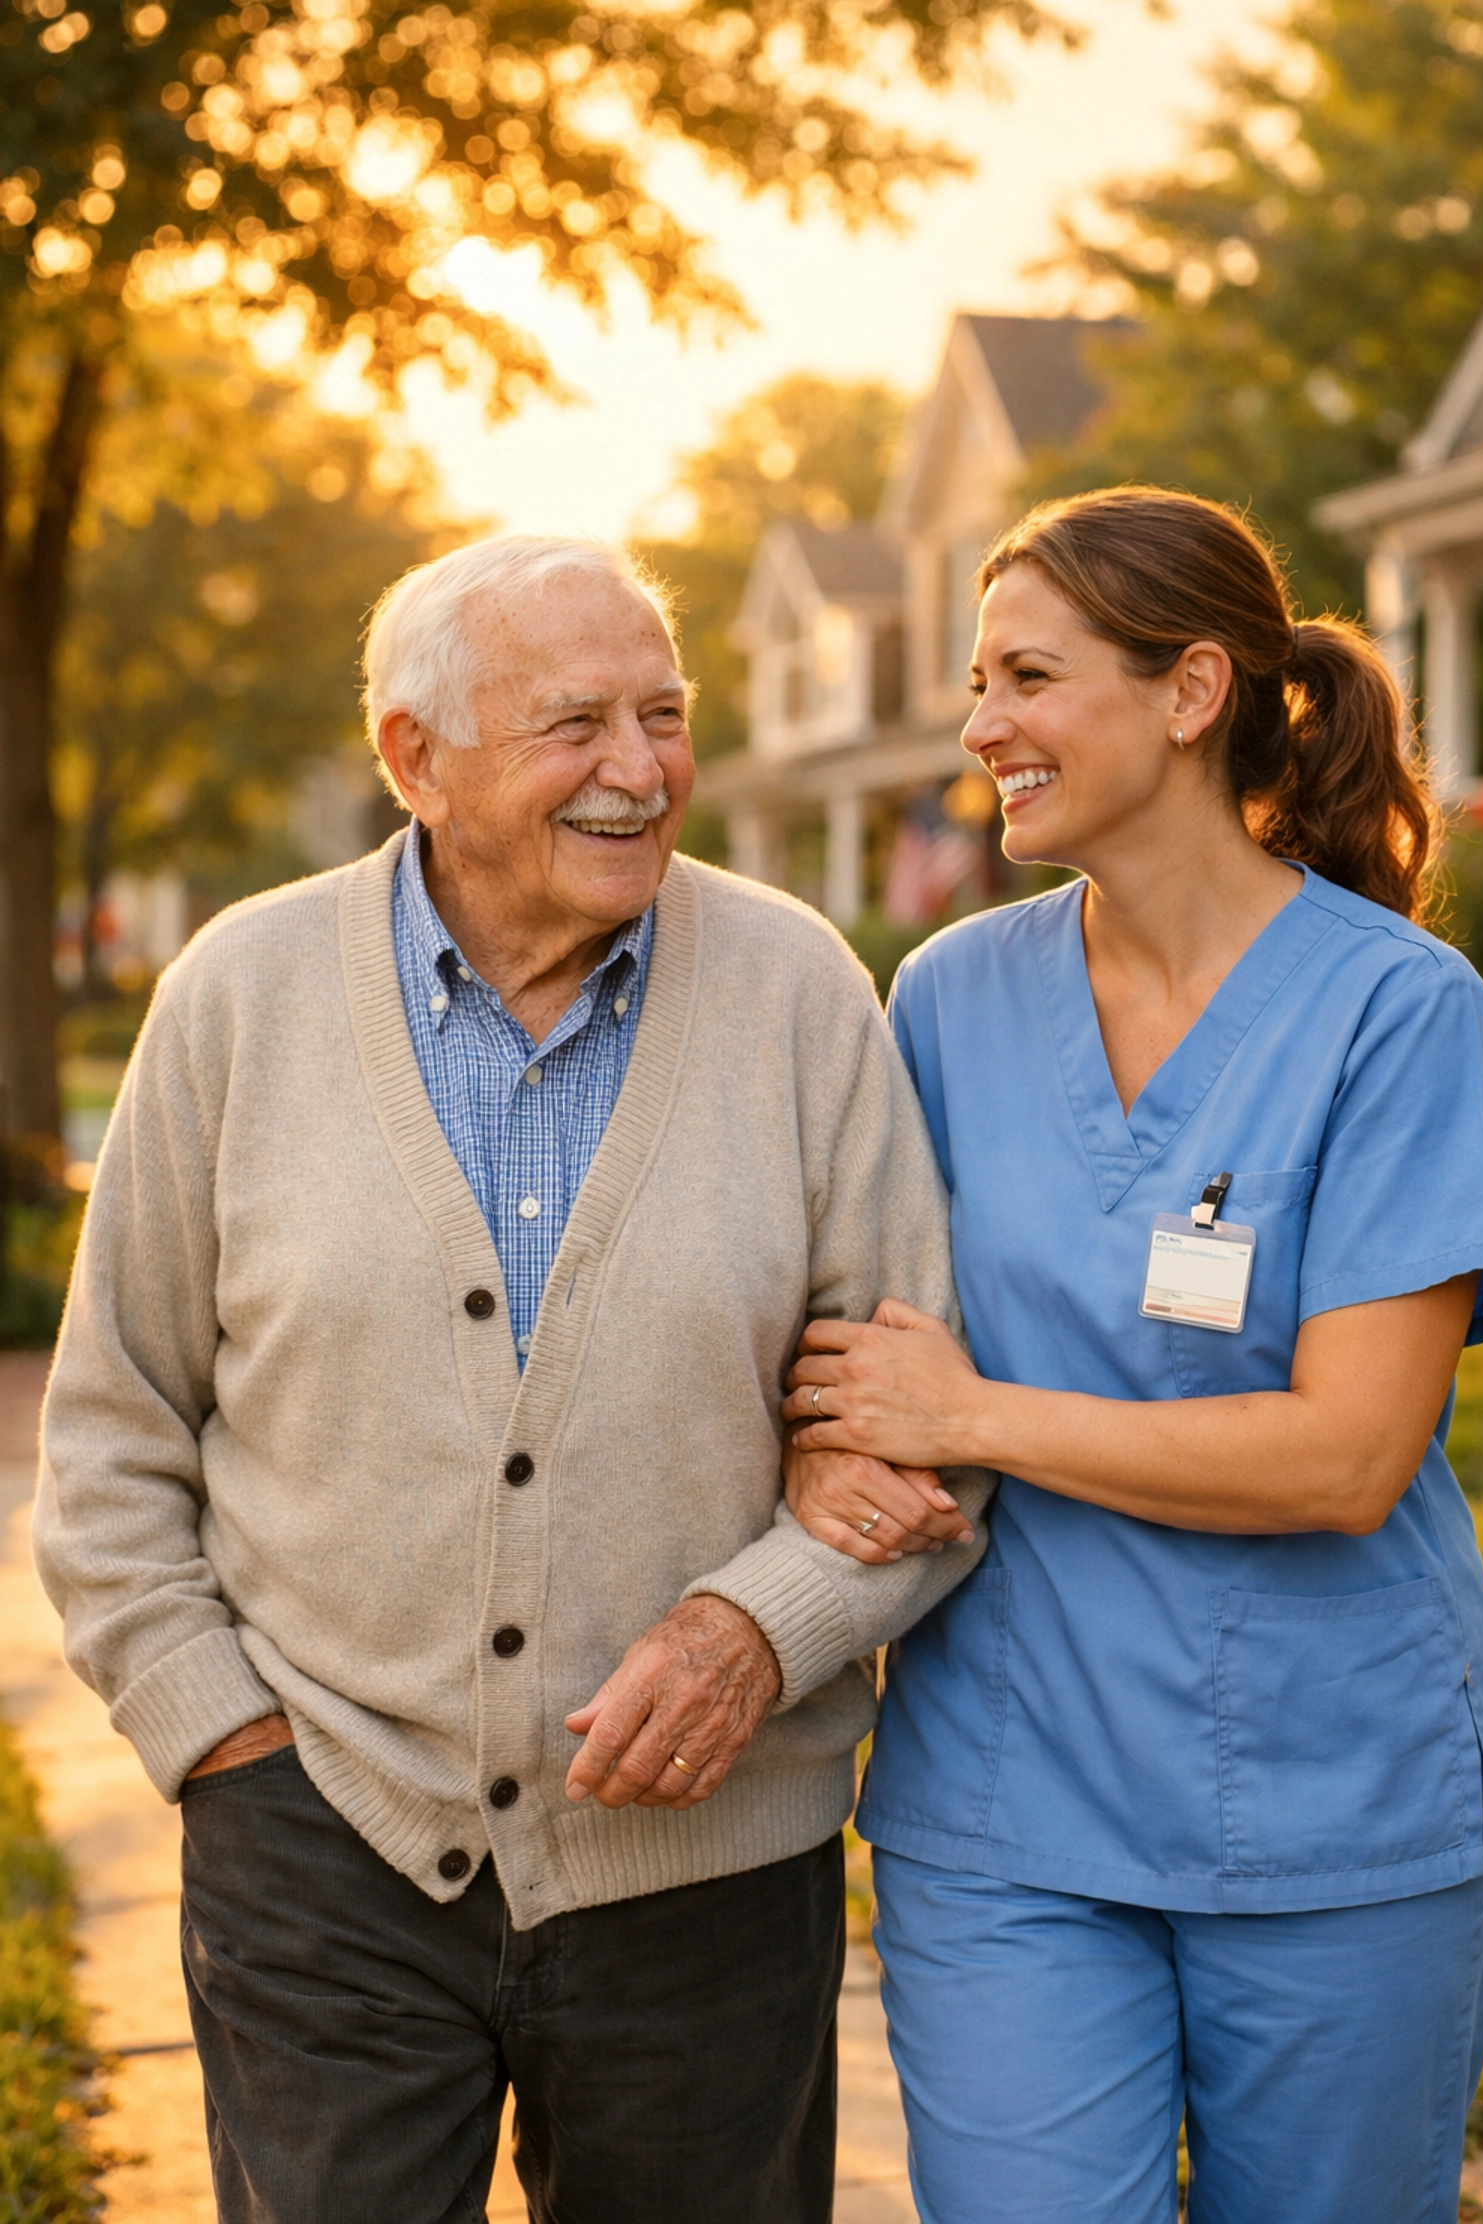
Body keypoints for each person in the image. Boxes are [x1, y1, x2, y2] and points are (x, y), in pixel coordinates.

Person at [33, 533, 986, 2224]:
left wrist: (755, 1628)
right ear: (416, 758)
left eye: (664, 714)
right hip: (320, 1848)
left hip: (713, 1871)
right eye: (575, 725)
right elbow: (112, 1438)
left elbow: (925, 1432)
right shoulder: (237, 999)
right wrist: (223, 1749)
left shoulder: (795, 998)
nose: (639, 770)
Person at [780, 488, 1483, 2224]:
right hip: (1006, 1807)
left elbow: (1348, 1458)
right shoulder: (949, 1002)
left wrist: (976, 1414)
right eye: (978, 682)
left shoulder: (1395, 1012)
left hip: (1337, 1807)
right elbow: (854, 1350)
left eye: (1028, 676)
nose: (981, 729)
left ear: (1192, 691)